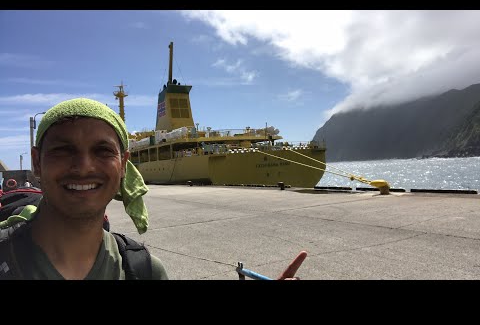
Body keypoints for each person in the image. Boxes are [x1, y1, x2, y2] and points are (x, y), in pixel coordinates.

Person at [0, 98, 305, 280]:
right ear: (37, 163)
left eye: (103, 151)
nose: (83, 167)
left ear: (123, 165)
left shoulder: (143, 270)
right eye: (64, 150)